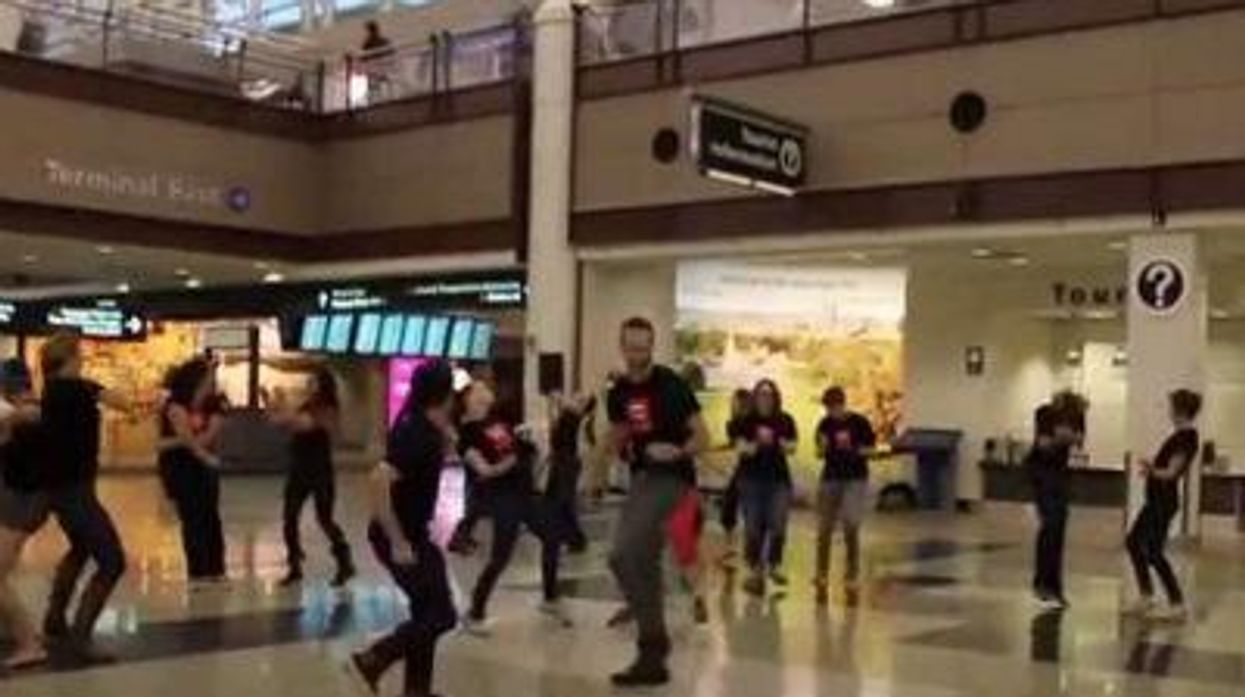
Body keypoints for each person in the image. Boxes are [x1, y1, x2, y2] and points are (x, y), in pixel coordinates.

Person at [606, 316, 708, 687]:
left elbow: (704, 437)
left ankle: (652, 642)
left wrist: (677, 449)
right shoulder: (617, 392)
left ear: (652, 346)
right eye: (631, 347)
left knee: (632, 552)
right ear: (623, 347)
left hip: (674, 479)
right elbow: (618, 433)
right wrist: (601, 464)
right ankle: (653, 649)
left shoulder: (672, 386)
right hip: (642, 479)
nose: (637, 354)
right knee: (624, 559)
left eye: (643, 347)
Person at [348, 360, 458, 697]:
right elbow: (379, 480)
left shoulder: (420, 424)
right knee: (441, 615)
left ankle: (417, 691)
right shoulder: (417, 434)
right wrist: (397, 541)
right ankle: (373, 658)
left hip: (413, 533)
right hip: (399, 535)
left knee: (426, 611)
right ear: (445, 394)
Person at [39, 333, 135, 662]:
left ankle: (55, 617)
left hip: (62, 487)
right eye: (78, 355)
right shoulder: (77, 389)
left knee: (81, 548)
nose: (82, 360)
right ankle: (80, 637)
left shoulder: (52, 392)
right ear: (67, 359)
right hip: (76, 489)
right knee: (112, 560)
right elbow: (122, 401)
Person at [459, 381, 569, 635]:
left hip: (524, 495)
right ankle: (475, 611)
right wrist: (506, 465)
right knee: (500, 557)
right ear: (469, 399)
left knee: (552, 536)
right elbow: (483, 470)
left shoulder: (498, 420)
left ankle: (550, 598)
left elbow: (518, 448)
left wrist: (531, 448)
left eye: (488, 387)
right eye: (480, 388)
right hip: (502, 499)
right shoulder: (468, 432)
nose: (487, 389)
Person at [270, 368, 355, 588]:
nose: (309, 384)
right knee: (289, 516)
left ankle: (345, 562)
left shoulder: (327, 408)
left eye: (313, 381)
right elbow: (281, 422)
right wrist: (280, 409)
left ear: (323, 384)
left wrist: (282, 408)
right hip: (299, 469)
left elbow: (302, 424)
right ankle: (294, 566)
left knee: (324, 518)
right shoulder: (307, 405)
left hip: (319, 470)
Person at [1124, 389, 1202, 623]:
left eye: (1171, 407)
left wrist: (1151, 470)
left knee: (1154, 552)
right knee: (1133, 542)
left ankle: (1177, 604)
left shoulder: (1186, 438)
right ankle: (1146, 596)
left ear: (1179, 409)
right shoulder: (1181, 436)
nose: (1169, 411)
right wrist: (1152, 469)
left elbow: (1171, 472)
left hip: (1163, 502)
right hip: (1156, 500)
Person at [158, 358, 228, 586]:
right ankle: (197, 573)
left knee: (210, 517)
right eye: (209, 377)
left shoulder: (213, 404)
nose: (212, 381)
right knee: (192, 518)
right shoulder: (175, 404)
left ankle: (216, 570)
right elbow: (187, 441)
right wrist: (201, 452)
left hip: (203, 467)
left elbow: (206, 436)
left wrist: (180, 441)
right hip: (180, 468)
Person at [0, 359, 49, 669]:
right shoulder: (27, 411)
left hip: (21, 504)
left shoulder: (24, 414)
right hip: (22, 503)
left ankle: (29, 642)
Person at [814, 386, 876, 604]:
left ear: (842, 404)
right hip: (831, 477)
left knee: (851, 523)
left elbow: (872, 450)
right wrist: (823, 447)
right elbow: (819, 452)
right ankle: (821, 571)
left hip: (855, 477)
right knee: (824, 527)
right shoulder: (824, 424)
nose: (832, 412)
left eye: (835, 407)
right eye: (828, 408)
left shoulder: (859, 423)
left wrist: (855, 449)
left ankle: (851, 571)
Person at [737, 379, 797, 597]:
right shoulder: (746, 420)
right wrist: (752, 446)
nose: (765, 398)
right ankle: (754, 568)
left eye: (769, 395)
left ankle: (774, 564)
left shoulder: (785, 420)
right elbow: (740, 446)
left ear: (775, 397)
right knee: (753, 526)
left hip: (778, 480)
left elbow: (792, 447)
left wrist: (781, 443)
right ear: (755, 397)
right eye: (761, 394)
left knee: (778, 523)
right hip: (751, 479)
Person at [1027, 393, 1086, 611]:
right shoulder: (1044, 413)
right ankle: (1041, 583)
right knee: (1051, 523)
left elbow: (1078, 441)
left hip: (1060, 473)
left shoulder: (1078, 417)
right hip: (1041, 471)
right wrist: (1065, 437)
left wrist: (1064, 436)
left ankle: (1054, 586)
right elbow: (1043, 444)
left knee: (1059, 526)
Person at [547, 392, 594, 554]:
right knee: (555, 500)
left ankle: (576, 539)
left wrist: (558, 398)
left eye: (581, 399)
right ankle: (566, 536)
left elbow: (564, 404)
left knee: (564, 501)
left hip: (568, 461)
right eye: (577, 397)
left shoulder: (576, 415)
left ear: (584, 408)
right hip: (560, 459)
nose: (576, 398)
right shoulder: (568, 414)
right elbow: (555, 431)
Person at [717, 388, 752, 569]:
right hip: (744, 468)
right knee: (728, 505)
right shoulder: (732, 424)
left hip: (760, 469)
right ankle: (730, 546)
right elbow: (735, 444)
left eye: (741, 403)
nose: (737, 406)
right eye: (735, 403)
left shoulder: (756, 421)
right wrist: (715, 448)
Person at [360, 20, 396, 103]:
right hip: (385, 68)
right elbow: (392, 51)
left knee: (369, 77)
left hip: (375, 70)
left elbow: (362, 57)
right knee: (380, 78)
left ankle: (373, 99)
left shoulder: (368, 43)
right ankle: (388, 95)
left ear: (369, 31)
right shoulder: (384, 40)